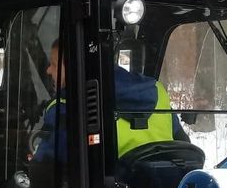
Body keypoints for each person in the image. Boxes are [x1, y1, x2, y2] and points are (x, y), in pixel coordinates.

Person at [32, 39, 188, 165]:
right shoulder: (158, 90)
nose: (48, 70)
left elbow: (43, 172)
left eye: (53, 64)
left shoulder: (67, 105)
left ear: (75, 66)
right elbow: (183, 147)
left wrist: (33, 165)